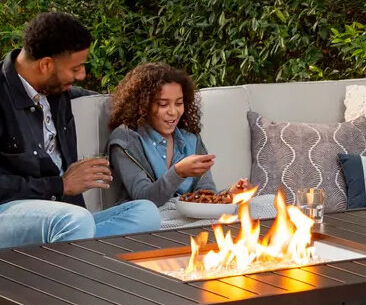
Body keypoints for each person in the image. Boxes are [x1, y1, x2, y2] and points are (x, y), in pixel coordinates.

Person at [0, 13, 161, 248]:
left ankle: (83, 262)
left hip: (65, 218)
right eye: (76, 68)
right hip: (9, 213)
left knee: (146, 213)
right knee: (75, 221)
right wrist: (61, 185)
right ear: (45, 64)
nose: (82, 75)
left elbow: (93, 97)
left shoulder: (56, 92)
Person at [107, 62, 250, 207]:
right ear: (142, 106)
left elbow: (204, 192)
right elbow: (144, 198)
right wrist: (178, 172)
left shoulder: (190, 138)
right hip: (147, 219)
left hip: (186, 216)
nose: (173, 112)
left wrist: (229, 195)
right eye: (163, 104)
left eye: (179, 103)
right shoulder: (126, 139)